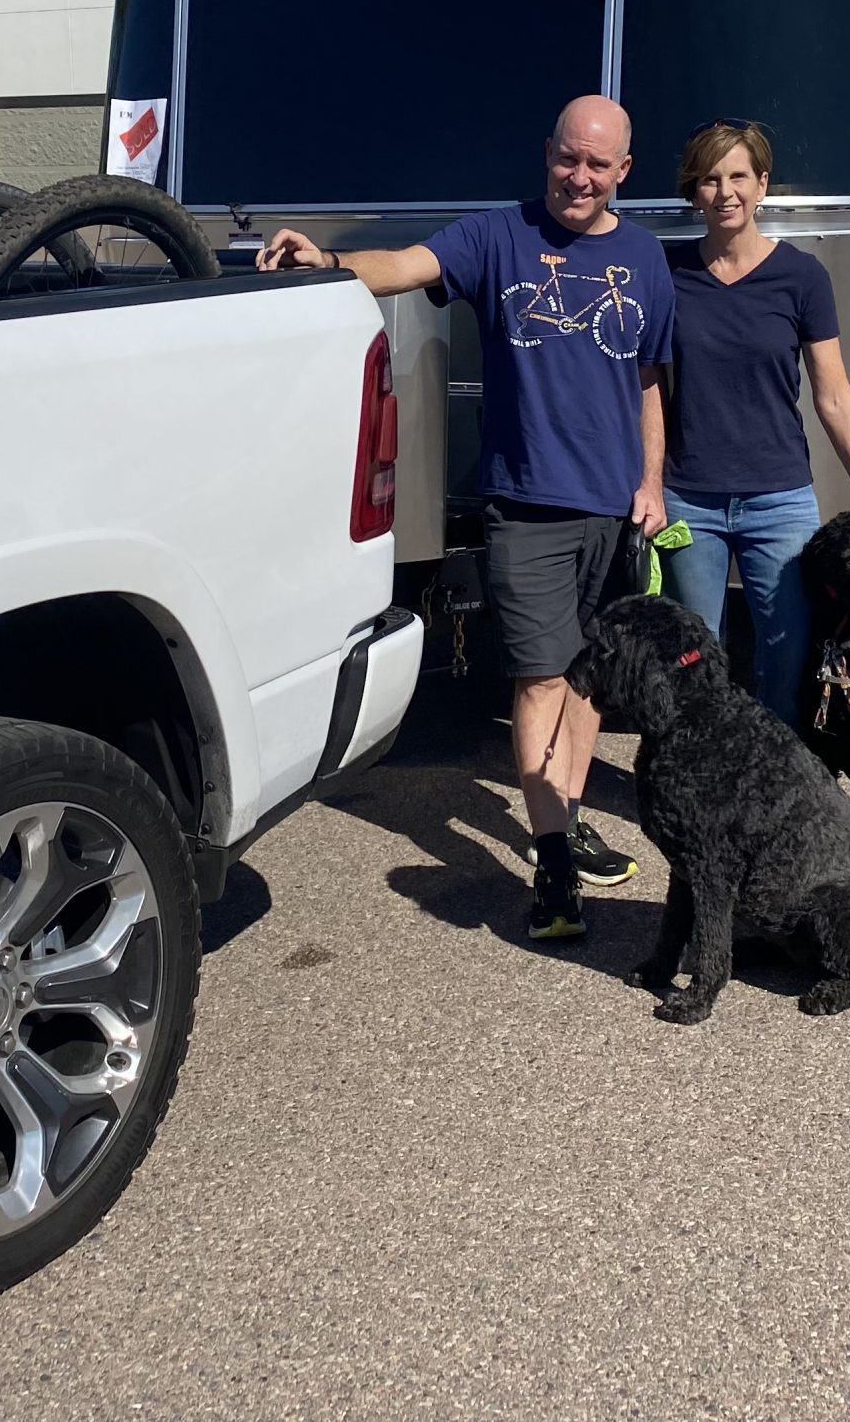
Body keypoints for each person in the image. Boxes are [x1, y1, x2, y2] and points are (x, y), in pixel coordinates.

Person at [258, 95, 673, 940]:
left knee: (590, 679)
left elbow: (649, 380)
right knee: (541, 677)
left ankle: (567, 816)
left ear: (624, 170)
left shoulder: (644, 258)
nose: (579, 176)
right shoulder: (496, 237)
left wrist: (653, 482)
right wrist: (326, 259)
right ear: (547, 152)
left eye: (597, 164)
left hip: (613, 508)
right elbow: (402, 265)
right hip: (526, 503)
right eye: (568, 157)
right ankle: (552, 864)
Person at [659, 119, 850, 724]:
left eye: (738, 176)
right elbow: (644, 386)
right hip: (689, 499)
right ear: (694, 190)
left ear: (762, 184)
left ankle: (779, 768)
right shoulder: (667, 273)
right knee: (695, 655)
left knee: (787, 654)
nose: (725, 192)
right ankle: (705, 767)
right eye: (710, 179)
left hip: (779, 498)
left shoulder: (802, 277)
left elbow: (833, 394)